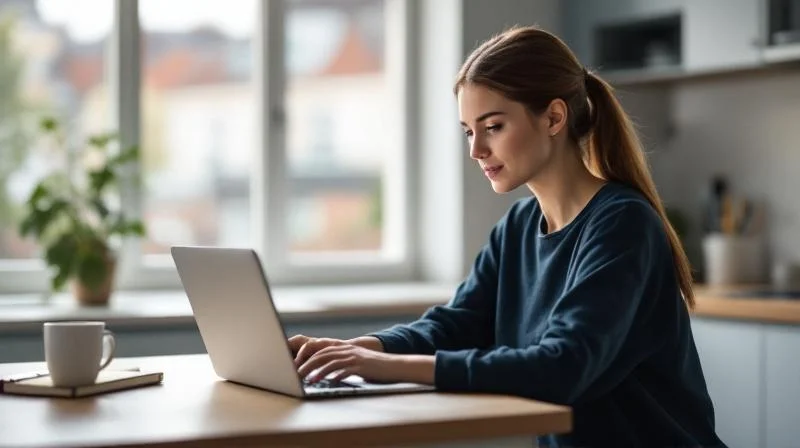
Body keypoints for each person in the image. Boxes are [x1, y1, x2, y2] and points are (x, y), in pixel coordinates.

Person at [289, 25, 726, 447]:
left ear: (554, 117)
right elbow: (458, 323)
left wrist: (388, 366)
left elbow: (563, 365)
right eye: (468, 131)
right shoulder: (517, 225)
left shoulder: (623, 224)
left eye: (493, 126)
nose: (475, 150)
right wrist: (356, 350)